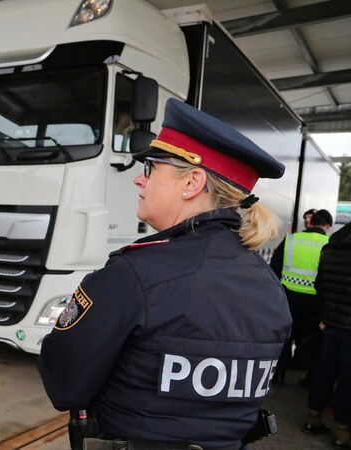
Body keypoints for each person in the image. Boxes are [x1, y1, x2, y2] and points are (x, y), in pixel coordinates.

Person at [39, 98, 291, 450]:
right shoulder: (270, 287)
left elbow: (63, 384)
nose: (139, 182)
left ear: (192, 182)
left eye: (151, 169)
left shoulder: (132, 275)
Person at [270, 209, 332, 385]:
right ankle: (309, 378)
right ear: (327, 226)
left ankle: (277, 374)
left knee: (285, 335)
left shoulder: (291, 239)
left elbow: (275, 266)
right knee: (312, 339)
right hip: (316, 299)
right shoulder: (328, 243)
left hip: (289, 295)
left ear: (312, 222)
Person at [303, 222, 351, 447]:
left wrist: (325, 315)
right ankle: (342, 431)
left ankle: (312, 419)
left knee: (324, 372)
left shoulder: (330, 250)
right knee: (347, 380)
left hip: (330, 323)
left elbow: (319, 285)